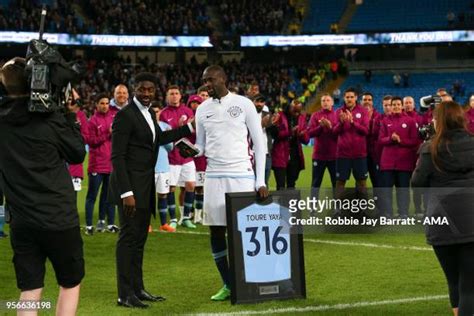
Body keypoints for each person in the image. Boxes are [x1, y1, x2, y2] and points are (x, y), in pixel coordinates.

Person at [0, 57, 86, 315]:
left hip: (22, 221)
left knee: (29, 289)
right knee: (70, 283)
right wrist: (70, 116)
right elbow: (76, 153)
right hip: (58, 217)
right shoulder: (50, 118)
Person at [108, 72, 194, 308]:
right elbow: (117, 156)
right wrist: (126, 193)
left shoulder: (147, 114)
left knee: (139, 240)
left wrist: (189, 127)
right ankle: (124, 294)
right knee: (128, 240)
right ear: (135, 89)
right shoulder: (125, 116)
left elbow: (159, 137)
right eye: (142, 89)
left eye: (150, 90)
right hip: (131, 191)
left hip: (145, 187)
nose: (146, 94)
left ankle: (137, 289)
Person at [195, 65, 268, 301]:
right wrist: (191, 151)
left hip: (241, 175)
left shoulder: (244, 104)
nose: (207, 85)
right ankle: (228, 283)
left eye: (211, 80)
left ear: (223, 79)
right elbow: (201, 146)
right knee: (216, 230)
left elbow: (259, 143)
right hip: (214, 176)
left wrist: (260, 181)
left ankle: (250, 280)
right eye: (205, 81)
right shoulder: (202, 109)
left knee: (244, 231)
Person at [411, 101, 474, 316]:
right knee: (468, 286)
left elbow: (416, 183)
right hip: (470, 222)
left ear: (439, 121)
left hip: (441, 222)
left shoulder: (430, 148)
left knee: (454, 281)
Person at [159, 85, 196, 228]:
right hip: (172, 157)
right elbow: (164, 136)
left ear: (181, 96)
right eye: (171, 94)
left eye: (176, 93)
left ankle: (186, 217)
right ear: (167, 97)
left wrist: (187, 127)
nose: (174, 96)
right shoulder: (163, 114)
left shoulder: (187, 111)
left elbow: (194, 133)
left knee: (191, 185)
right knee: (171, 188)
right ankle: (173, 219)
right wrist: (179, 128)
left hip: (186, 155)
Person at [378, 97, 418, 218]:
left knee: (403, 190)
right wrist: (391, 138)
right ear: (390, 106)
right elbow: (381, 139)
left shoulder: (410, 121)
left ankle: (403, 213)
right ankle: (389, 213)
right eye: (393, 104)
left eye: (397, 104)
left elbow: (414, 141)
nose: (395, 106)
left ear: (402, 106)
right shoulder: (385, 121)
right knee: (387, 190)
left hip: (404, 162)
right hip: (387, 162)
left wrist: (400, 141)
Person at [84, 94, 118, 235]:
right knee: (92, 196)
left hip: (110, 165)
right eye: (102, 103)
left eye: (106, 103)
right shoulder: (92, 121)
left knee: (109, 196)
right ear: (96, 105)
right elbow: (90, 141)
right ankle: (89, 226)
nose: (104, 106)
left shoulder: (113, 118)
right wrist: (107, 134)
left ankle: (110, 224)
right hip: (97, 164)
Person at [333, 87, 369, 200]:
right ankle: (338, 208)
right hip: (343, 154)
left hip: (359, 154)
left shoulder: (363, 111)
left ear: (356, 98)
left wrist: (353, 122)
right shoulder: (338, 112)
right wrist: (342, 123)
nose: (349, 99)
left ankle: (361, 208)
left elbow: (366, 131)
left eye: (351, 97)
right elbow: (334, 131)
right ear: (344, 98)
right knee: (340, 182)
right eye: (347, 97)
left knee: (362, 182)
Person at [272, 99, 309, 190]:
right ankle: (281, 204)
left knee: (291, 185)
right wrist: (290, 132)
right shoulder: (280, 115)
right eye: (294, 110)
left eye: (298, 111)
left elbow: (306, 140)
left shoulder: (302, 118)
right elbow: (275, 134)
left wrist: (300, 135)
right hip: (280, 153)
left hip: (295, 155)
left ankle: (290, 204)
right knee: (280, 185)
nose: (296, 113)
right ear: (290, 107)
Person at [151, 104, 177, 232]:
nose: (155, 113)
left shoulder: (166, 127)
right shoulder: (144, 126)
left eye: (156, 111)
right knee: (147, 197)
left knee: (163, 195)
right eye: (153, 111)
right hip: (149, 168)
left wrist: (164, 138)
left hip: (164, 167)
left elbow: (171, 148)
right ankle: (146, 224)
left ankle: (163, 223)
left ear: (160, 112)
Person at [307, 93, 337, 198]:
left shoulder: (337, 115)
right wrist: (320, 127)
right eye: (323, 100)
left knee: (336, 184)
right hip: (319, 156)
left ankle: (337, 208)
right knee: (315, 183)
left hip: (334, 156)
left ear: (332, 102)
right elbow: (309, 133)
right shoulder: (315, 115)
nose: (325, 102)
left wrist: (329, 127)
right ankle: (313, 208)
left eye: (328, 100)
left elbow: (339, 135)